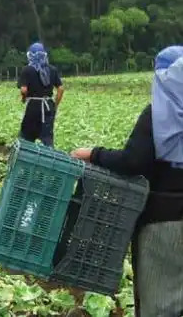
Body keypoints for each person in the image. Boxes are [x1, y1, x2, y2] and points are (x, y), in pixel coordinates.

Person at [71, 46, 183, 317]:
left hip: (163, 223)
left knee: (159, 304)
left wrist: (93, 154)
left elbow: (133, 161)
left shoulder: (157, 114)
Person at [18, 42, 64, 147]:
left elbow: (24, 90)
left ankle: (25, 158)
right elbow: (61, 89)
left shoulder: (27, 70)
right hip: (48, 106)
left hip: (33, 107)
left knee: (26, 137)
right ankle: (50, 160)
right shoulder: (52, 69)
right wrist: (55, 105)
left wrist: (24, 99)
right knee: (47, 138)